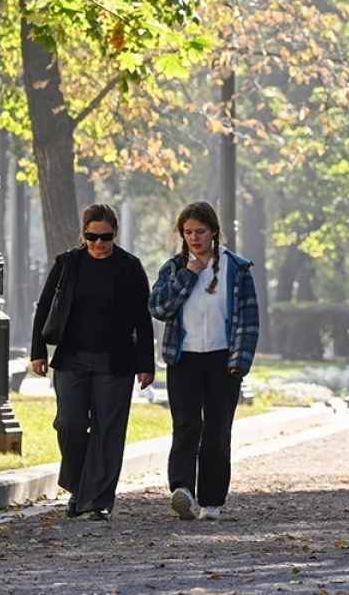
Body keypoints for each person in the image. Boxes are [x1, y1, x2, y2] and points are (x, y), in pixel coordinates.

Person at [30, 204, 156, 522]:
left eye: (106, 237)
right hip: (72, 358)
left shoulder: (130, 267)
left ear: (115, 233)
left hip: (116, 362)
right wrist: (38, 351)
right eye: (92, 236)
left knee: (108, 431)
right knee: (69, 422)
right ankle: (78, 486)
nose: (99, 243)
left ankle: (96, 499)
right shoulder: (67, 264)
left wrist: (146, 363)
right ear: (83, 233)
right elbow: (45, 306)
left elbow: (143, 318)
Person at [149, 201, 259, 522]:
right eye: (188, 232)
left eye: (200, 231)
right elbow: (158, 308)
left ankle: (211, 500)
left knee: (217, 429)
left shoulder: (236, 269)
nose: (194, 238)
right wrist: (188, 276)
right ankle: (182, 489)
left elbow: (248, 320)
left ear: (213, 231)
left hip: (224, 360)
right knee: (186, 425)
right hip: (183, 359)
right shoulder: (173, 268)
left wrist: (240, 361)